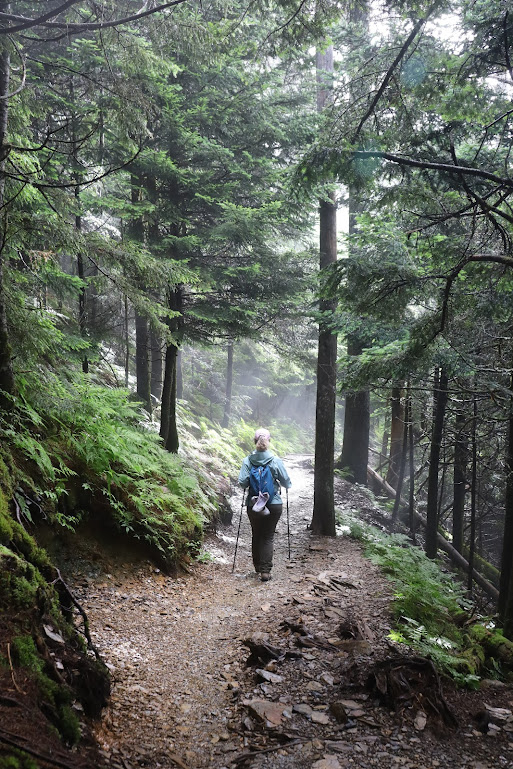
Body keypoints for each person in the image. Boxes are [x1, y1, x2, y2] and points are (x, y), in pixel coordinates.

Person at [238, 428, 291, 581]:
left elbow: (242, 483)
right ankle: (265, 571)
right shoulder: (275, 460)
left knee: (257, 534)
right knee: (268, 536)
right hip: (273, 503)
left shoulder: (248, 461)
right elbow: (287, 482)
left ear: (255, 442)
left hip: (254, 504)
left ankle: (257, 566)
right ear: (269, 442)